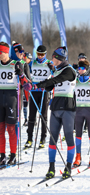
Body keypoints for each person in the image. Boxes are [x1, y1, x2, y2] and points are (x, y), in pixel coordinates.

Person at [24, 46, 77, 179]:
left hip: (68, 108)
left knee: (69, 138)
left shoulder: (69, 71)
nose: (51, 59)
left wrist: (39, 84)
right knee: (52, 138)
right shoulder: (57, 71)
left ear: (58, 58)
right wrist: (32, 85)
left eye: (53, 57)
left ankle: (68, 166)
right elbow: (50, 86)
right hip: (55, 107)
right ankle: (51, 167)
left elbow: (55, 80)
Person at [0, 42, 30, 165]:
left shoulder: (16, 64)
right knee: (0, 129)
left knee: (11, 129)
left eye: (0, 52)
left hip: (12, 98)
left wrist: (21, 75)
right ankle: (2, 155)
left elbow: (27, 83)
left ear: (6, 53)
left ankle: (13, 155)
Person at [25, 45, 55, 149]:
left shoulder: (49, 63)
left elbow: (55, 74)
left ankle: (43, 138)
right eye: (38, 54)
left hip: (44, 92)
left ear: (45, 54)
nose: (40, 56)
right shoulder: (32, 63)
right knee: (32, 116)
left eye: (42, 54)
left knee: (44, 116)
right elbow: (27, 74)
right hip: (34, 91)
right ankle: (29, 139)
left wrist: (52, 69)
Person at [22, 52, 32, 126]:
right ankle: (25, 119)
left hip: (28, 86)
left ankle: (30, 119)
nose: (24, 59)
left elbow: (29, 77)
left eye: (26, 58)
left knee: (28, 103)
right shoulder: (22, 64)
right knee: (24, 103)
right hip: (23, 85)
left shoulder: (30, 64)